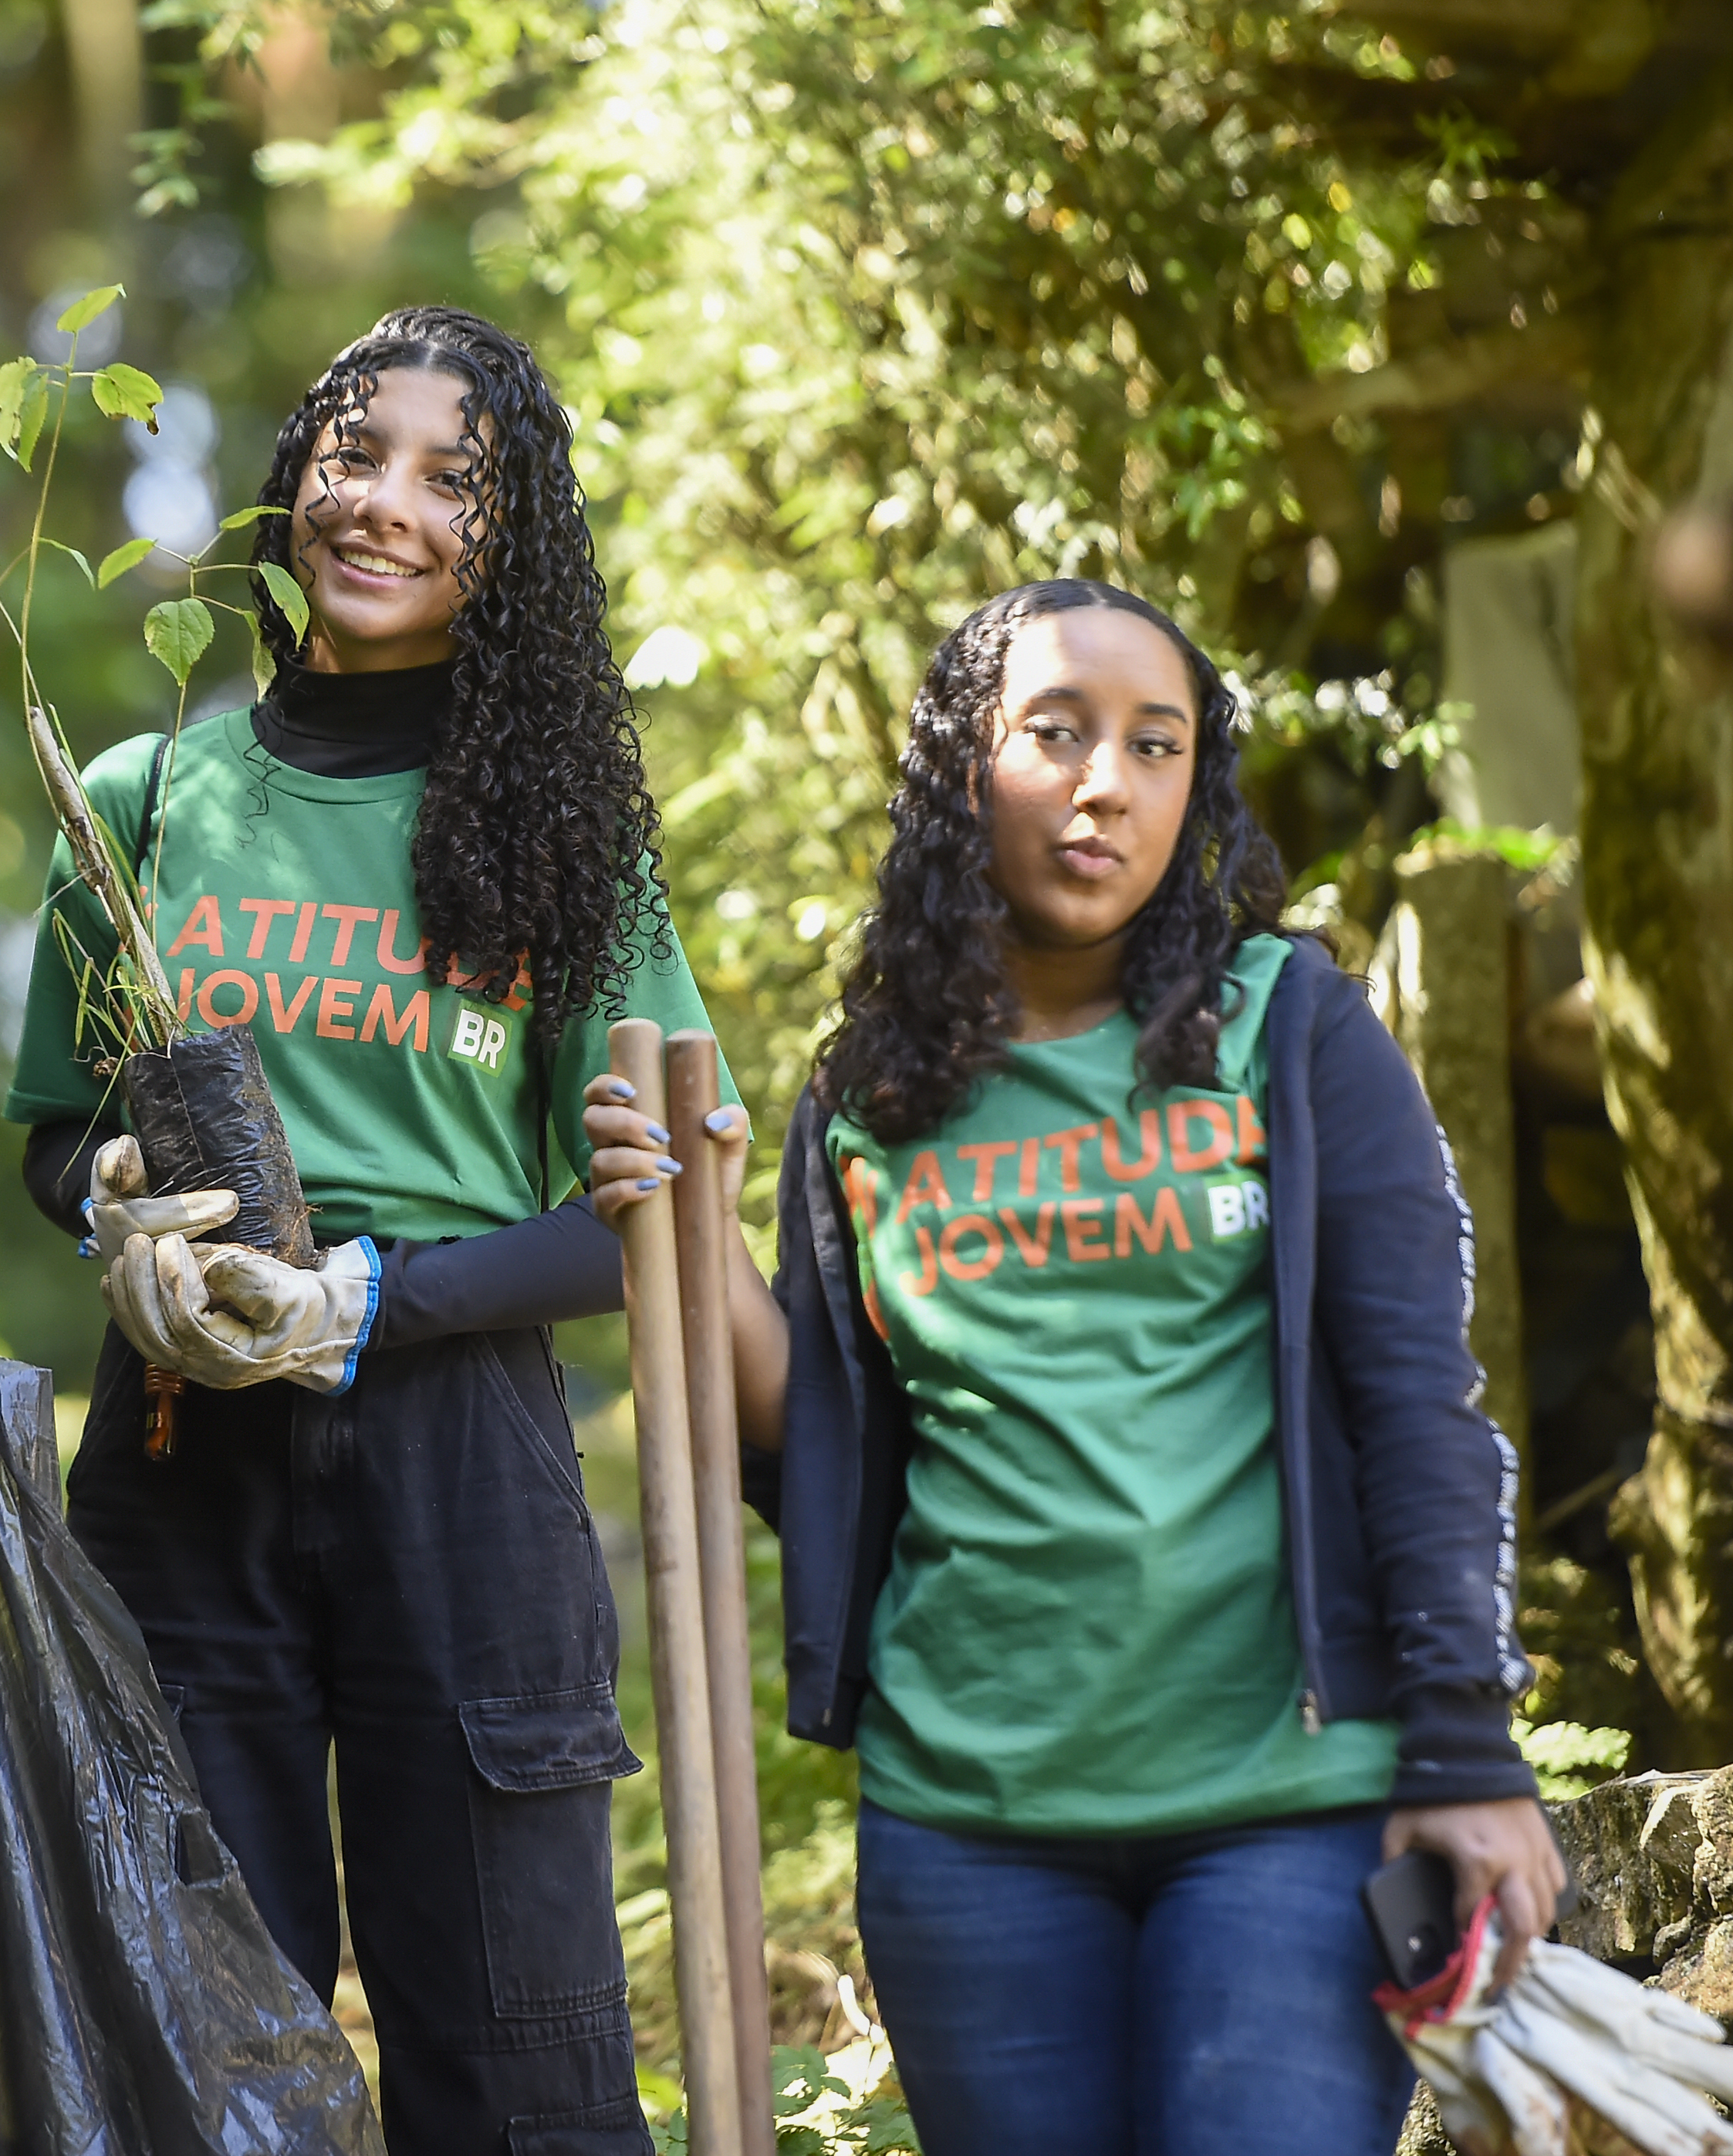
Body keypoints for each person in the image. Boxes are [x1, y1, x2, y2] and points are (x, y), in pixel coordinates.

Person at [583, 579, 1560, 2155]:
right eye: (1057, 732)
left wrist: (1464, 1744)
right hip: (968, 1830)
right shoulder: (871, 1090)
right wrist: (676, 1209)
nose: (1108, 780)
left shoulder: (1291, 1032)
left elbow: (1415, 1404)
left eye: (1155, 746)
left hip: (1287, 1810)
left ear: (1197, 787)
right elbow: (812, 1437)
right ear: (967, 769)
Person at [3, 305, 731, 2154]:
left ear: (514, 542)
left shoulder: (572, 848)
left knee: (516, 2059)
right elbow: (51, 1135)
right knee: (187, 2050)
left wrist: (372, 1301)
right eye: (352, 451)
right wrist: (108, 1211)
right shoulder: (142, 802)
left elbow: (649, 1227)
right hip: (179, 1454)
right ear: (287, 483)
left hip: (463, 1457)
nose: (383, 502)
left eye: (451, 477)